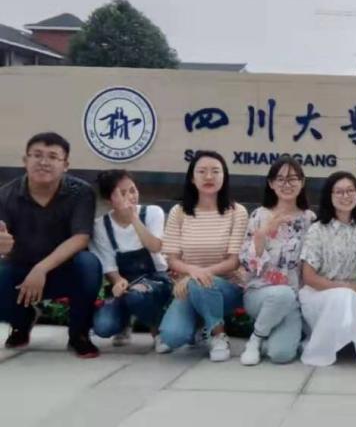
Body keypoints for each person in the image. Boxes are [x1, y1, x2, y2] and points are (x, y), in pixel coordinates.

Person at [0, 132, 101, 358]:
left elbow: (81, 238)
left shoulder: (81, 192)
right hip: (21, 272)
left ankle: (79, 334)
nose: (44, 162)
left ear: (65, 165)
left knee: (88, 264)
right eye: (37, 155)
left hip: (66, 270)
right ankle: (22, 321)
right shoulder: (6, 195)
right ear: (25, 160)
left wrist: (41, 268)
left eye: (53, 157)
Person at [158, 151, 248, 362]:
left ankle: (218, 335)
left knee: (200, 282)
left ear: (224, 177)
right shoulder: (179, 211)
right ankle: (201, 324)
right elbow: (172, 259)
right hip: (189, 288)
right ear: (192, 177)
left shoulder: (237, 212)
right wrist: (193, 273)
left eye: (215, 171)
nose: (209, 177)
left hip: (227, 288)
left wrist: (195, 275)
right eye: (202, 171)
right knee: (172, 337)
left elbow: (234, 261)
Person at [238, 157, 314, 366]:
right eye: (280, 179)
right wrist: (263, 233)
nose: (286, 184)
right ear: (271, 184)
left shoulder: (310, 219)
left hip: (293, 298)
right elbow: (247, 264)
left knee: (282, 354)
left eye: (292, 179)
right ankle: (256, 339)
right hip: (260, 293)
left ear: (302, 182)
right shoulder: (259, 215)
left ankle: (267, 338)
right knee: (282, 294)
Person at [299, 171, 356, 366]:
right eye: (339, 192)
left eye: (350, 191)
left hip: (354, 293)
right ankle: (320, 350)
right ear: (330, 196)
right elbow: (308, 277)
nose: (346, 196)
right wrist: (345, 287)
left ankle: (346, 343)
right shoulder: (317, 229)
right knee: (343, 296)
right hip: (319, 293)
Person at [90, 170, 172, 353]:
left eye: (133, 190)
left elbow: (155, 246)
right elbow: (108, 264)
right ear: (109, 200)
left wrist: (134, 218)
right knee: (103, 326)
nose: (131, 196)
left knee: (137, 295)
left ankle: (158, 331)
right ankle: (124, 323)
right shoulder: (101, 226)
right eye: (122, 193)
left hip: (156, 281)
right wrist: (118, 280)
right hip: (125, 284)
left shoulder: (152, 213)